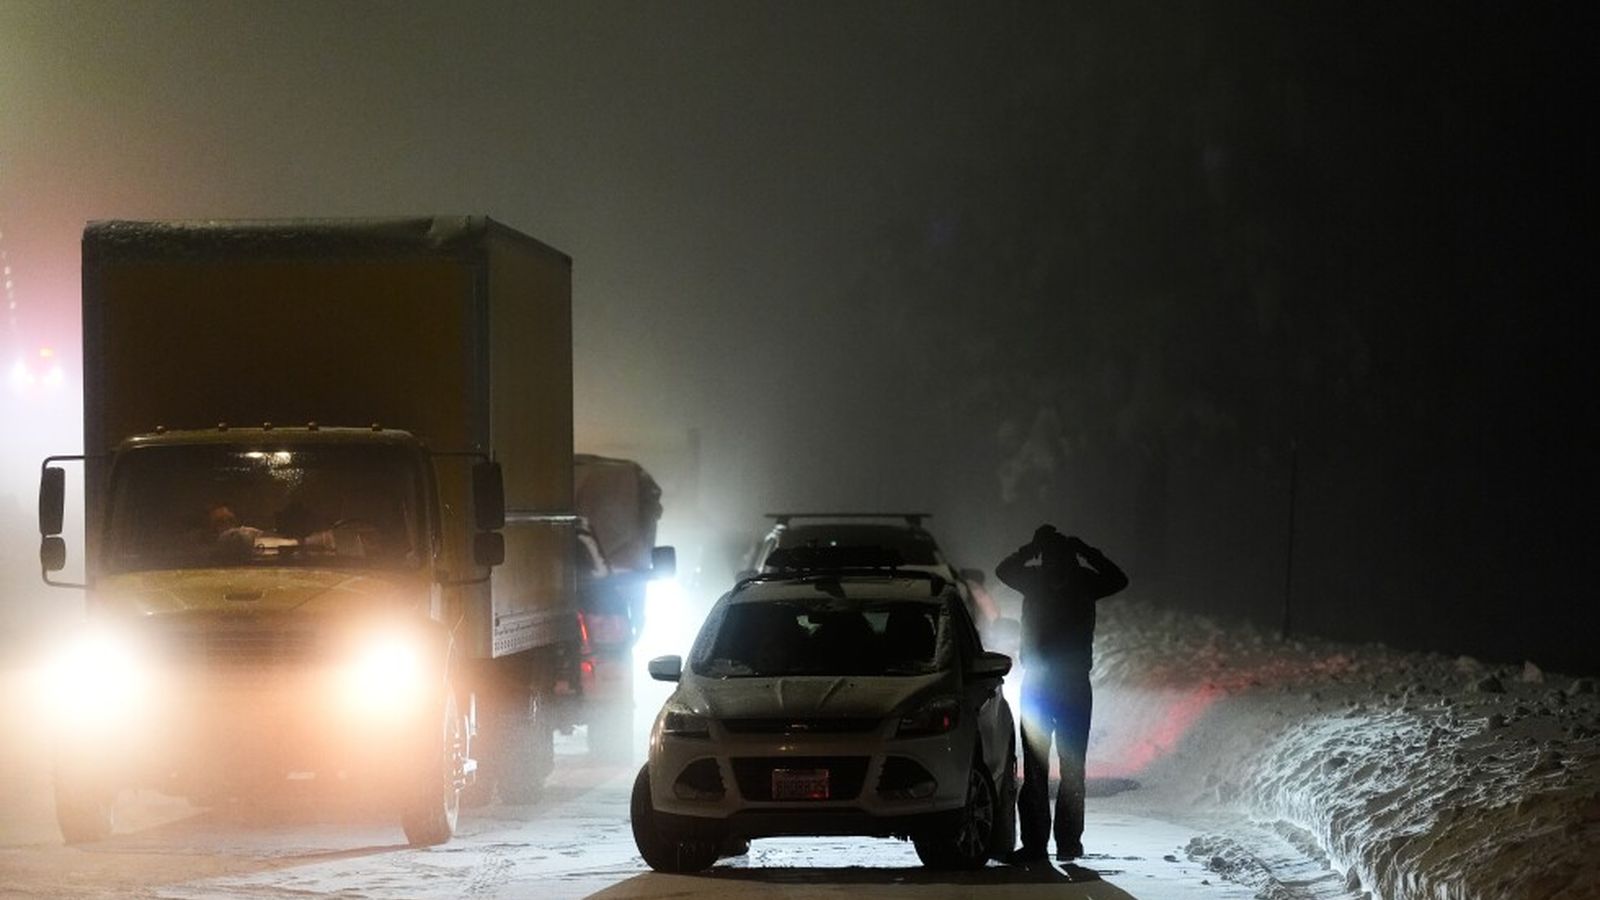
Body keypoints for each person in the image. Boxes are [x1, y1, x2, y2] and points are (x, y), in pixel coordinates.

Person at [996, 523, 1128, 863]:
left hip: (1042, 683)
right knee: (1071, 768)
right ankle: (1067, 844)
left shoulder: (1035, 579)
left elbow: (1004, 570)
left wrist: (1031, 548)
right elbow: (1118, 578)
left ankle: (1039, 845)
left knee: (1037, 770)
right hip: (1070, 685)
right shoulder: (1083, 580)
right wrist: (1085, 550)